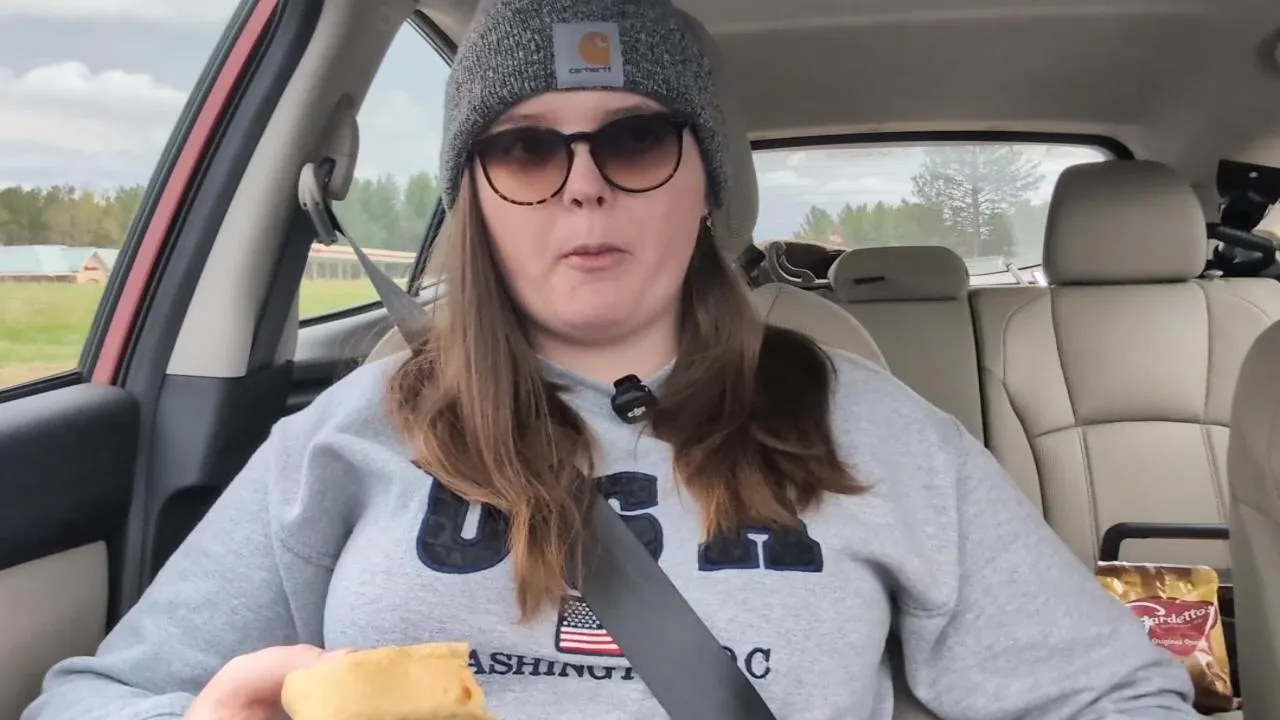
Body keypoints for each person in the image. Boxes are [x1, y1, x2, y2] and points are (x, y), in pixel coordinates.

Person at [23, 0, 1202, 718]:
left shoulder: (876, 436)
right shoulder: (353, 432)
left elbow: (1116, 697)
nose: (581, 185)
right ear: (476, 202)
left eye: (634, 139)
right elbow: (93, 701)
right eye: (525, 151)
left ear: (708, 189)